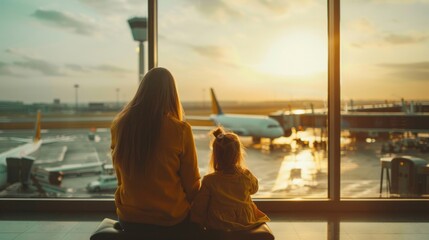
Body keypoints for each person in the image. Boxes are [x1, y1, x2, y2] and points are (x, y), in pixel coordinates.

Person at [110, 67, 201, 239]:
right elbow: (192, 185)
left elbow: (120, 177)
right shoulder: (180, 130)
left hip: (129, 218)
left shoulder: (119, 126)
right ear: (172, 94)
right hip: (170, 221)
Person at [191, 127, 270, 235]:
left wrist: (196, 222)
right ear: (238, 155)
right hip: (245, 220)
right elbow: (254, 189)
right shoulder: (246, 175)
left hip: (220, 223)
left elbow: (200, 206)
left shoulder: (209, 181)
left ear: (215, 156)